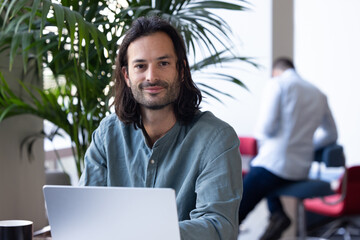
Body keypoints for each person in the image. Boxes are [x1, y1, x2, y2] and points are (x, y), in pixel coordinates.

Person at [79, 16, 243, 240]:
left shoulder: (216, 138)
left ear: (181, 69)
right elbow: (85, 213)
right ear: (127, 76)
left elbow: (218, 227)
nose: (151, 76)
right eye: (140, 66)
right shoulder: (107, 134)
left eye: (163, 63)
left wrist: (143, 233)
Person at [238, 57, 338, 240]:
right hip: (301, 168)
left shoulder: (278, 84)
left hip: (275, 166)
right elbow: (331, 134)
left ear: (275, 72)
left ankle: (276, 215)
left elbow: (264, 130)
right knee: (258, 169)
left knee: (235, 210)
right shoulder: (318, 93)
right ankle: (277, 214)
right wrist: (305, 143)